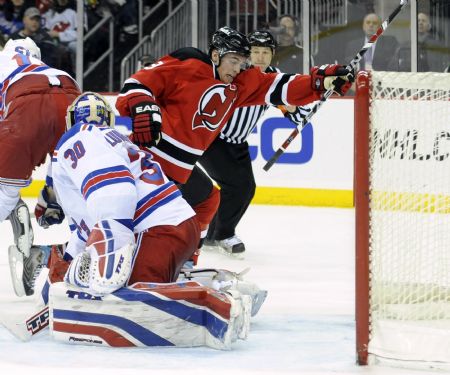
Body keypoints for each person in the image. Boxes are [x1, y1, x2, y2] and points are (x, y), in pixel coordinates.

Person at [116, 26, 353, 264]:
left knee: (207, 201)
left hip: (180, 168)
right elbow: (136, 83)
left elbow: (282, 86)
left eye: (242, 61)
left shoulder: (240, 83)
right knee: (143, 216)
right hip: (149, 160)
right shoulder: (190, 61)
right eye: (233, 60)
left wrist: (320, 82)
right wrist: (142, 105)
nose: (238, 68)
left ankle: (184, 262)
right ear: (216, 55)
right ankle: (119, 257)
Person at [14, 92, 200, 298]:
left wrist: (113, 245)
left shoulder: (80, 136)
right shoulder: (116, 140)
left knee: (128, 305)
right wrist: (61, 277)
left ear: (71, 119)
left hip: (154, 232)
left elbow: (113, 190)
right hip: (174, 226)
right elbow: (89, 226)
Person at [199, 30, 310, 256]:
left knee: (246, 188)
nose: (260, 57)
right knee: (237, 186)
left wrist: (298, 108)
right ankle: (222, 234)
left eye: (265, 52)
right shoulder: (237, 71)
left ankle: (213, 234)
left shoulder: (273, 78)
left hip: (237, 143)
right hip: (214, 139)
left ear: (272, 55)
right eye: (255, 52)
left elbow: (294, 114)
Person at [0, 37, 80, 295]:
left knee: (5, 194)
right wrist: (51, 186)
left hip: (24, 100)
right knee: (86, 198)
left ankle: (13, 203)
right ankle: (69, 256)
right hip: (71, 91)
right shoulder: (48, 67)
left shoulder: (4, 62)